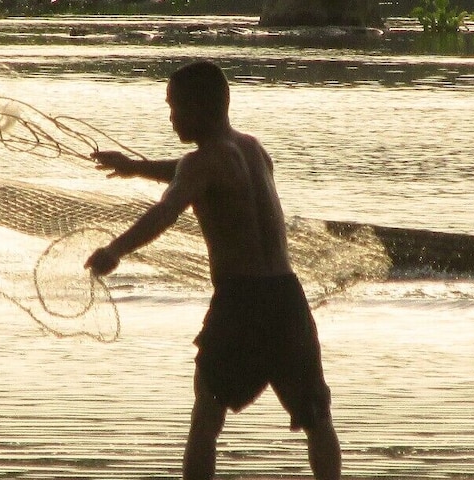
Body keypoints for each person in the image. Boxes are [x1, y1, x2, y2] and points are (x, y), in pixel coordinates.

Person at [84, 60, 341, 480]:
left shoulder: (199, 164)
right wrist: (136, 166)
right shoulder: (254, 150)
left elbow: (167, 209)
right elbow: (197, 172)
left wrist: (116, 249)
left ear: (200, 107)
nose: (170, 119)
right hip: (287, 299)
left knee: (205, 418)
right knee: (316, 416)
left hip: (241, 301)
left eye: (174, 108)